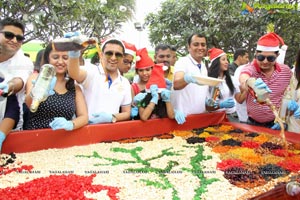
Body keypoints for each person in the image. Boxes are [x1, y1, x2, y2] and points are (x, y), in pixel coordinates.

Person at [67, 36, 132, 124]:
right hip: (86, 130)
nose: (113, 58)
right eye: (109, 53)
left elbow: (127, 113)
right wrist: (74, 53)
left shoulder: (125, 82)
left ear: (122, 57)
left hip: (111, 133)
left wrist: (111, 117)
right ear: (101, 55)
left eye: (118, 54)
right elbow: (74, 73)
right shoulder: (91, 71)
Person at [24, 43, 88, 130]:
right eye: (55, 57)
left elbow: (84, 117)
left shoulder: (74, 87)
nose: (60, 62)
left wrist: (71, 124)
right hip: (36, 135)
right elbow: (29, 104)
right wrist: (37, 90)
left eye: (65, 58)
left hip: (63, 137)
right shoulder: (36, 78)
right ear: (48, 59)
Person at [239, 32, 292, 128]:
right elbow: (244, 77)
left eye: (270, 58)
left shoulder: (286, 71)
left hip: (276, 123)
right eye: (261, 57)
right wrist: (249, 83)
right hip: (253, 124)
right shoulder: (251, 68)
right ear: (256, 54)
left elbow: (293, 91)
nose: (265, 61)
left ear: (277, 55)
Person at [0, 17, 33, 151]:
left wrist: (9, 86)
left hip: (10, 130)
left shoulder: (24, 62)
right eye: (9, 35)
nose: (14, 40)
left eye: (19, 38)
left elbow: (20, 80)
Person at [171, 33, 209, 115]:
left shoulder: (203, 66)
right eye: (196, 44)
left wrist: (208, 101)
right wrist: (187, 79)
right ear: (189, 47)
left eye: (203, 45)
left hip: (199, 117)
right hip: (183, 117)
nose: (200, 48)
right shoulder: (183, 61)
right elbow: (176, 84)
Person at [205, 48, 238, 122]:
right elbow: (210, 106)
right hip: (218, 119)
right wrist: (221, 105)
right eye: (223, 60)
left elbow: (239, 97)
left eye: (227, 60)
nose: (227, 62)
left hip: (233, 117)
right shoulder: (211, 82)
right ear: (216, 62)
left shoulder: (231, 79)